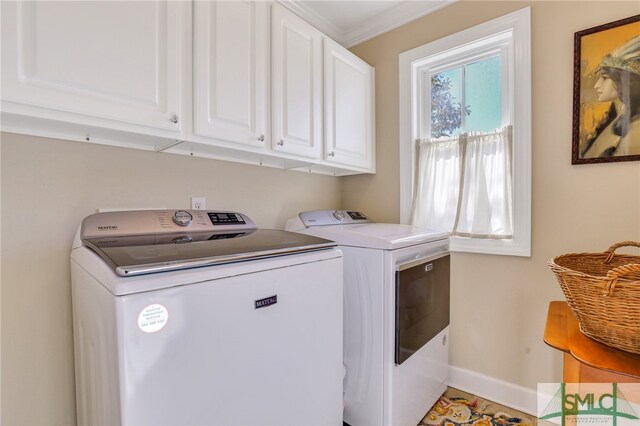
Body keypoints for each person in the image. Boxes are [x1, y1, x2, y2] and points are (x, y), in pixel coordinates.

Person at [582, 34, 640, 158]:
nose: (596, 85)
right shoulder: (615, 119)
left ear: (624, 83)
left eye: (605, 78)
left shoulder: (636, 129)